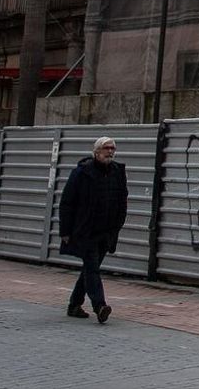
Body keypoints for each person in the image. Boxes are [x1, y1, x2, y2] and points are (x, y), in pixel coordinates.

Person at [59, 136, 128, 323]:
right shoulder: (82, 173)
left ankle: (74, 305)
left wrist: (117, 225)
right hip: (86, 231)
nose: (110, 152)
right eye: (107, 148)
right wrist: (65, 231)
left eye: (113, 148)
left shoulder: (117, 172)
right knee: (92, 268)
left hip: (106, 232)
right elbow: (67, 203)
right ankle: (100, 306)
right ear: (96, 151)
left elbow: (122, 200)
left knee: (91, 269)